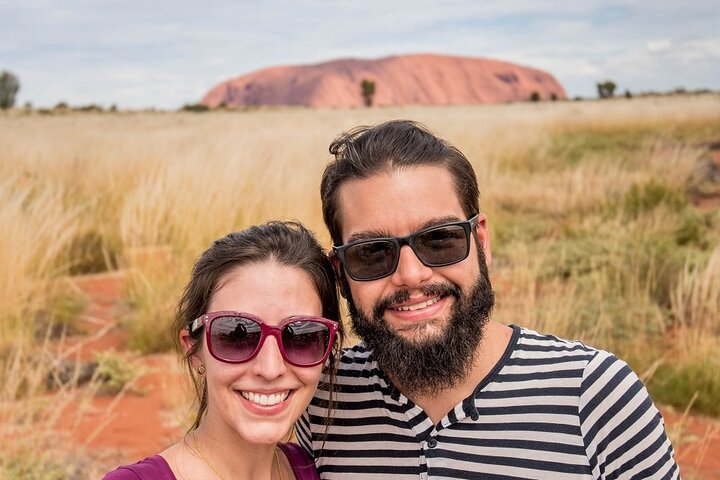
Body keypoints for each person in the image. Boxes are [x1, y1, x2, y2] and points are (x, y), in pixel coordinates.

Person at [297, 120, 680, 479]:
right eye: (373, 253)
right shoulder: (317, 398)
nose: (411, 275)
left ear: (481, 242)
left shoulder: (596, 395)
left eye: (439, 239)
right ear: (341, 273)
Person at [103, 221, 344, 480]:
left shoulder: (311, 467)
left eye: (302, 336)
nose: (270, 369)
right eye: (237, 334)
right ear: (194, 350)